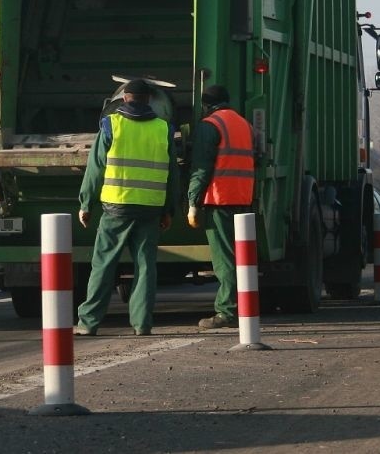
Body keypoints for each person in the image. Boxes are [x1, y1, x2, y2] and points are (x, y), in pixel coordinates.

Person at [75, 79, 179, 336]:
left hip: (116, 207)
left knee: (104, 264)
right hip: (150, 209)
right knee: (145, 266)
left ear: (124, 99)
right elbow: (173, 173)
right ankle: (142, 323)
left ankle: (89, 323)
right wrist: (169, 209)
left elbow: (95, 168)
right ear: (149, 100)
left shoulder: (111, 125)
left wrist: (86, 203)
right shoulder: (163, 128)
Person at [187, 85, 255, 329]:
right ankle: (243, 307)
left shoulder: (210, 125)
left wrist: (192, 202)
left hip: (220, 199)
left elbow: (201, 169)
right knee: (240, 258)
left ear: (205, 105)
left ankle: (227, 311)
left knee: (224, 259)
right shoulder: (243, 124)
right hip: (243, 197)